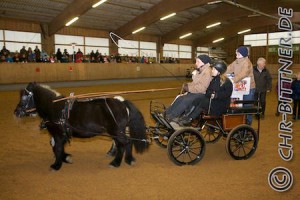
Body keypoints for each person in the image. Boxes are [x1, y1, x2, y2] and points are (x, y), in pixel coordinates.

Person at [179, 60, 233, 126]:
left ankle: (190, 119)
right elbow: (208, 90)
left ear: (219, 71)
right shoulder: (214, 79)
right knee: (197, 99)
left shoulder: (227, 82)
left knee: (203, 102)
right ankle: (186, 116)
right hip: (212, 102)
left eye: (213, 69)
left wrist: (216, 95)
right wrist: (210, 94)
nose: (211, 70)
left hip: (220, 105)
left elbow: (227, 94)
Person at [164, 55, 212, 121]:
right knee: (180, 98)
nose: (196, 63)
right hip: (198, 92)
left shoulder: (207, 72)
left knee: (186, 100)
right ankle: (167, 113)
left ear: (204, 63)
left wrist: (188, 88)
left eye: (198, 61)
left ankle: (171, 116)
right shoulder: (201, 70)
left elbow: (202, 88)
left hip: (203, 94)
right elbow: (195, 83)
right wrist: (188, 85)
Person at [226, 46, 255, 125]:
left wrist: (233, 80)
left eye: (238, 54)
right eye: (236, 54)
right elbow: (229, 68)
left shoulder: (247, 63)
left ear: (243, 54)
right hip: (239, 87)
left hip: (249, 88)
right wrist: (221, 72)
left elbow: (243, 73)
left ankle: (248, 124)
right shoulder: (236, 61)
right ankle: (238, 123)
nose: (236, 55)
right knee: (237, 105)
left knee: (247, 107)